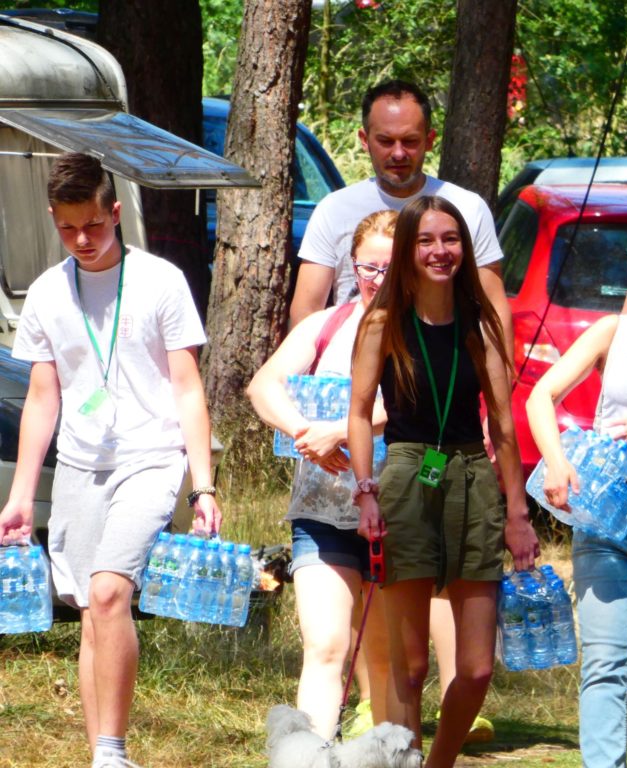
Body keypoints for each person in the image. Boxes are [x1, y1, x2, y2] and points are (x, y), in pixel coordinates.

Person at [0, 152, 221, 768]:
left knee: (107, 593)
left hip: (151, 458)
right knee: (88, 609)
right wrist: (20, 496)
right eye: (68, 228)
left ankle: (113, 749)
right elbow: (43, 397)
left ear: (116, 212)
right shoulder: (48, 292)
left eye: (93, 225)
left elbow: (187, 388)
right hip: (79, 464)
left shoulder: (160, 281)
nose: (82, 240)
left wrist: (202, 486)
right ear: (53, 219)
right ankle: (102, 753)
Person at [347, 196, 539, 768]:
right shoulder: (382, 321)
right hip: (407, 474)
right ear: (408, 249)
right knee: (410, 667)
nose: (439, 251)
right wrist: (366, 490)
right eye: (426, 240)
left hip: (473, 475)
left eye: (450, 239)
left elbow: (503, 425)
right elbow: (359, 412)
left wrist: (517, 513)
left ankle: (439, 763)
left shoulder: (480, 323)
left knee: (476, 668)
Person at [526, 218, 627, 767]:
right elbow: (541, 396)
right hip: (605, 509)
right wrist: (556, 461)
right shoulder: (612, 330)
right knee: (605, 661)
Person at [247, 210, 397, 741]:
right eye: (369, 268)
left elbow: (414, 405)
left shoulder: (422, 331)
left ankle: (384, 743)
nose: (378, 279)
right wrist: (304, 431)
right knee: (326, 646)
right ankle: (311, 753)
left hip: (396, 514)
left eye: (391, 268)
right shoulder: (326, 325)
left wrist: (341, 430)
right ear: (352, 265)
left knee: (388, 661)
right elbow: (263, 386)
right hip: (321, 514)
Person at [289, 79, 510, 342]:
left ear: (429, 140)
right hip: (351, 359)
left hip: (442, 361)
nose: (398, 153)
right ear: (364, 140)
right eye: (385, 141)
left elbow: (494, 310)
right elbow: (306, 312)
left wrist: (501, 368)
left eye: (410, 141)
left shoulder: (467, 208)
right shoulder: (334, 209)